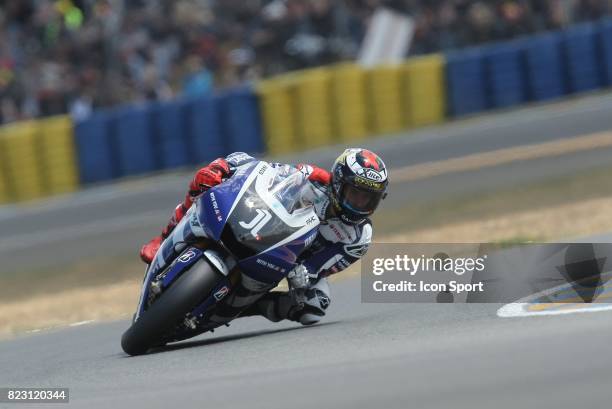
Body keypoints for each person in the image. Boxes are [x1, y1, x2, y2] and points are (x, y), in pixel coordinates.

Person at [140, 149, 389, 325]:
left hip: (294, 262)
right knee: (205, 179)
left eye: (367, 199)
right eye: (354, 194)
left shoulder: (358, 237)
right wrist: (230, 166)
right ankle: (164, 239)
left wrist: (305, 273)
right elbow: (268, 174)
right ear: (338, 184)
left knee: (314, 307)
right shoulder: (314, 178)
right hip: (268, 232)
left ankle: (255, 307)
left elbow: (323, 266)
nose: (359, 204)